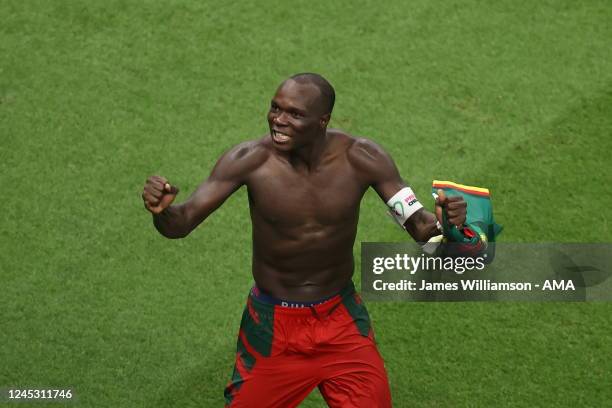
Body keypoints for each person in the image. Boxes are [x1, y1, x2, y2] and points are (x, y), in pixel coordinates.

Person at [141, 73, 468, 407]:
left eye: (294, 114)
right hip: (273, 327)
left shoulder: (363, 158)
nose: (278, 120)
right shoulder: (249, 160)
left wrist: (447, 223)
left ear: (322, 120)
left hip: (340, 321)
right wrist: (162, 211)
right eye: (275, 108)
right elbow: (180, 224)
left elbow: (421, 229)